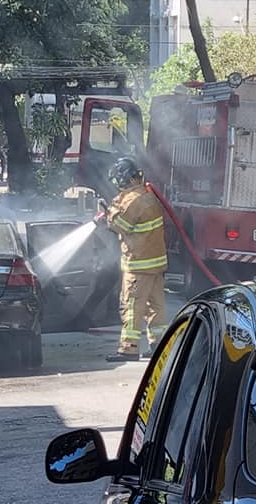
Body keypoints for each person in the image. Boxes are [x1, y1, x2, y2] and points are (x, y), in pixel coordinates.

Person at [98, 155, 168, 362]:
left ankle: (128, 348)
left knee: (132, 306)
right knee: (156, 306)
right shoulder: (146, 196)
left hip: (138, 265)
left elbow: (122, 226)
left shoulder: (132, 201)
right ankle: (158, 344)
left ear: (124, 178)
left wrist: (107, 213)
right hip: (155, 264)